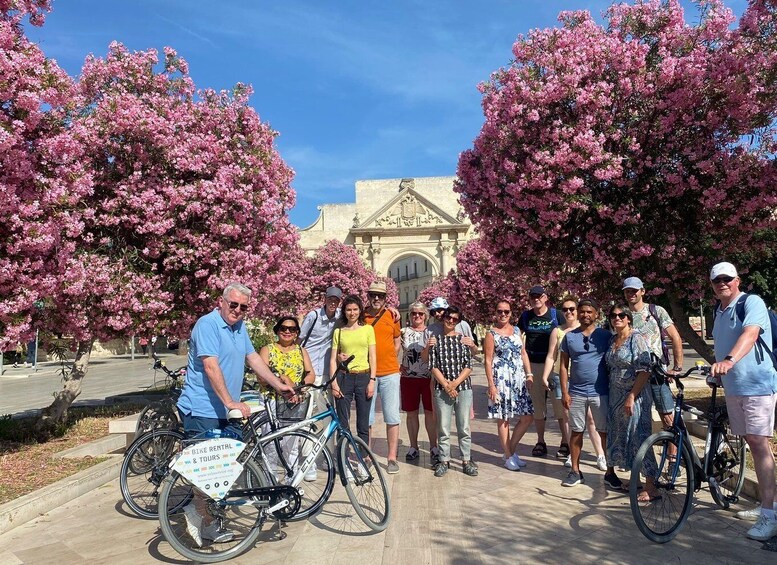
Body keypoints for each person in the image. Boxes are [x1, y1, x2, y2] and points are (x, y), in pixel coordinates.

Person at [177, 282, 294, 546]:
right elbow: (210, 366)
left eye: (243, 307)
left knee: (224, 470)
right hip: (203, 408)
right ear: (222, 301)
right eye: (234, 304)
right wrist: (230, 401)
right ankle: (202, 517)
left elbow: (253, 359)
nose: (238, 310)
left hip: (227, 410)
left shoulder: (239, 327)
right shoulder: (207, 325)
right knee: (206, 470)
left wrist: (278, 384)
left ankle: (206, 515)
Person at [709, 262, 777, 541]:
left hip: (758, 385)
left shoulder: (752, 302)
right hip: (734, 386)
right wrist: (717, 371)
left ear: (737, 280)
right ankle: (766, 506)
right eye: (716, 280)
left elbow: (750, 334)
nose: (722, 283)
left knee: (760, 444)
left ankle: (770, 516)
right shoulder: (719, 310)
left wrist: (728, 361)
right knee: (751, 441)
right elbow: (721, 345)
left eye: (727, 278)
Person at [541, 296, 606, 469]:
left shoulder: (601, 334)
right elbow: (556, 360)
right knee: (572, 422)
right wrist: (546, 377)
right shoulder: (563, 334)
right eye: (565, 309)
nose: (569, 312)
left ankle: (601, 455)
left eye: (572, 309)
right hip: (571, 384)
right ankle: (573, 458)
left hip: (595, 388)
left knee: (595, 422)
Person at [603, 304, 656, 499]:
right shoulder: (612, 340)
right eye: (614, 315)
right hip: (615, 397)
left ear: (628, 319)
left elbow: (644, 370)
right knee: (625, 438)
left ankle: (651, 486)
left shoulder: (637, 338)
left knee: (639, 436)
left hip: (635, 396)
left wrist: (632, 395)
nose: (617, 318)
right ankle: (637, 481)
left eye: (621, 315)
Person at [622, 277, 684, 435]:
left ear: (642, 291)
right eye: (628, 291)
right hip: (631, 374)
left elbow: (675, 337)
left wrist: (676, 367)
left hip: (656, 372)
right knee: (634, 414)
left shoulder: (656, 311)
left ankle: (672, 457)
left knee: (666, 415)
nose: (631, 294)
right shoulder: (622, 315)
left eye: (634, 290)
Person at [559, 299, 610, 487]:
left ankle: (610, 471)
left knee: (604, 431)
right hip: (577, 393)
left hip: (600, 392)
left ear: (596, 314)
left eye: (589, 312)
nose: (585, 315)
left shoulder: (605, 336)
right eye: (582, 312)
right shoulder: (569, 337)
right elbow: (564, 366)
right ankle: (575, 471)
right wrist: (565, 392)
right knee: (576, 432)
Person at [484, 300, 534, 471]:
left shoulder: (517, 330)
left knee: (527, 417)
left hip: (519, 380)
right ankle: (508, 456)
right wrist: (491, 385)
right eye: (500, 311)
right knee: (503, 418)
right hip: (501, 380)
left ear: (511, 313)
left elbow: (523, 353)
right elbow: (488, 360)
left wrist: (529, 374)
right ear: (495, 313)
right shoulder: (491, 334)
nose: (503, 314)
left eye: (506, 311)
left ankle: (509, 452)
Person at [429, 306, 476, 477]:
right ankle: (444, 460)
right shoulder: (436, 340)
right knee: (443, 427)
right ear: (443, 318)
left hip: (462, 388)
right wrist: (446, 385)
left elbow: (468, 366)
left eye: (455, 319)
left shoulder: (463, 339)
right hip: (442, 389)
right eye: (448, 317)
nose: (450, 321)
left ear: (458, 321)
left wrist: (454, 384)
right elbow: (433, 366)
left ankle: (466, 459)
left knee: (463, 426)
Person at [518, 285, 565, 458]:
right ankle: (540, 441)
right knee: (538, 406)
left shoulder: (556, 315)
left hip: (553, 365)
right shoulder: (525, 316)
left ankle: (565, 442)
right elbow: (518, 337)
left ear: (545, 297)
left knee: (559, 405)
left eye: (539, 296)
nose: (536, 299)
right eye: (532, 296)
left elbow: (566, 332)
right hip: (534, 365)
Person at [363, 281, 402, 474]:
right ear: (368, 296)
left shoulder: (392, 316)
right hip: (367, 374)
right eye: (373, 295)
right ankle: (367, 455)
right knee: (367, 417)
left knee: (392, 416)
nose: (376, 298)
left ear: (386, 298)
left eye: (380, 295)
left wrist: (390, 356)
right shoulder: (361, 316)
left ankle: (392, 457)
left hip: (390, 373)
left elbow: (396, 340)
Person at [331, 294, 376, 447]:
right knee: (343, 423)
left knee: (363, 424)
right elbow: (333, 359)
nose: (352, 313)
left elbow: (373, 357)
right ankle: (344, 459)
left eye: (355, 309)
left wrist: (372, 380)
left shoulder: (368, 330)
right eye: (349, 310)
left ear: (360, 310)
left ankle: (363, 459)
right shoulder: (339, 332)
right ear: (344, 311)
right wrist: (334, 384)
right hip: (344, 378)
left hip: (364, 377)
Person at [399, 301, 439, 463]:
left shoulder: (432, 333)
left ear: (426, 316)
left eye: (420, 314)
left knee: (431, 413)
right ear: (409, 315)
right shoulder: (403, 332)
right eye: (414, 313)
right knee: (412, 413)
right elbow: (389, 346)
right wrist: (397, 365)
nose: (417, 316)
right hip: (409, 378)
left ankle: (434, 446)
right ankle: (413, 446)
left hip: (429, 378)